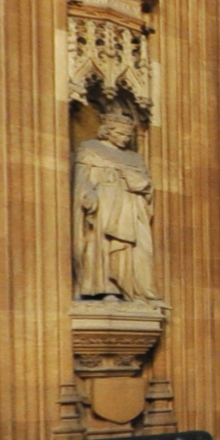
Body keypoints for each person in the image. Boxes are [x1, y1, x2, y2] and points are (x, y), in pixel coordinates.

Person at [73, 112, 161, 301]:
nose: (125, 139)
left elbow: (147, 185)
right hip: (104, 205)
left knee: (138, 250)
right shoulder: (90, 149)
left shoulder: (134, 158)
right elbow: (82, 179)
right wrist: (88, 195)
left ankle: (134, 289)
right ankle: (107, 289)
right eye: (120, 134)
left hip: (131, 206)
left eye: (128, 136)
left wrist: (135, 181)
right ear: (107, 131)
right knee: (103, 246)